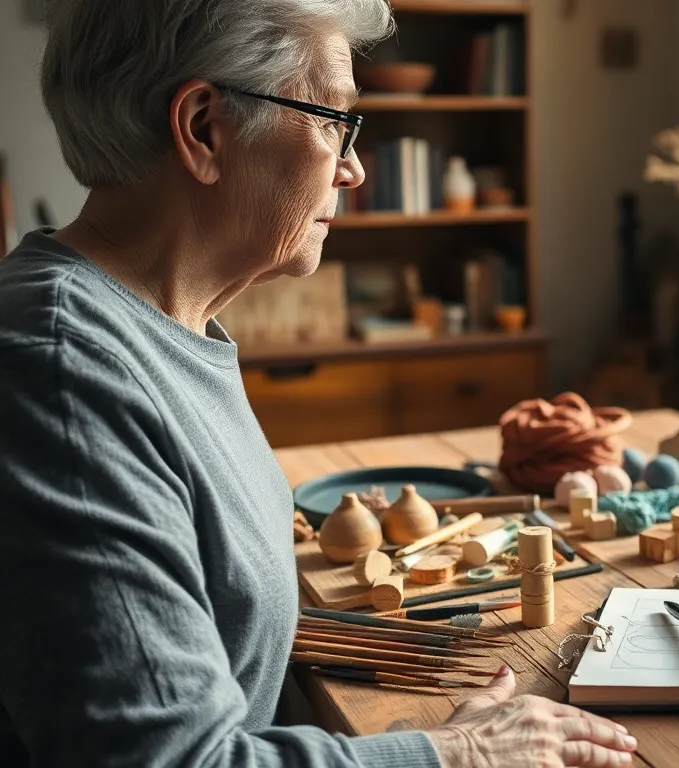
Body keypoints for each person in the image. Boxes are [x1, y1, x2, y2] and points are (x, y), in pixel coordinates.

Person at [0, 1, 639, 766]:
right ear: (205, 128)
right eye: (333, 118)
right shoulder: (63, 369)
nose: (354, 167)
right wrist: (459, 754)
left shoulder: (162, 330)